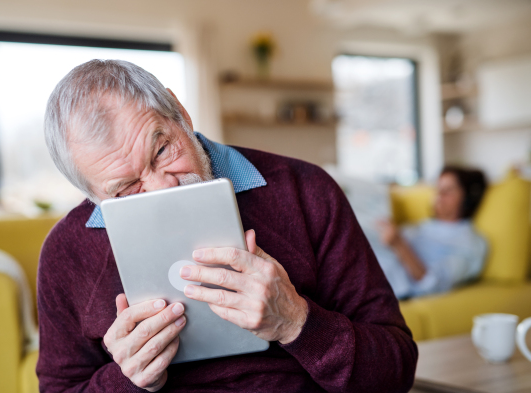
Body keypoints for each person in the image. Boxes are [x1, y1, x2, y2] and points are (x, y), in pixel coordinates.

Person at [36, 59, 417, 392]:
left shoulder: (305, 189)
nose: (163, 187)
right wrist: (128, 380)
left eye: (162, 150)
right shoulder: (66, 251)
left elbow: (396, 371)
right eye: (125, 189)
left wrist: (297, 322)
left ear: (181, 113)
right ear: (90, 195)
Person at [368, 167, 488, 300]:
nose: (439, 196)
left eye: (448, 191)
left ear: (467, 198)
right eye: (438, 189)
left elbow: (432, 284)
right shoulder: (421, 226)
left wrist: (399, 244)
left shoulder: (470, 241)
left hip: (384, 281)